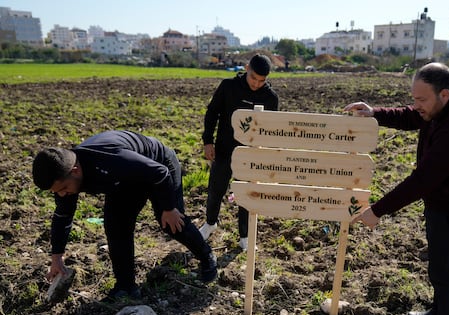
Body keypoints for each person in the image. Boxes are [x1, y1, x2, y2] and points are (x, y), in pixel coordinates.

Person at [344, 62, 449, 315]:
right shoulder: (442, 107)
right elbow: (414, 116)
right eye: (414, 97)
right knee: (438, 265)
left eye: (422, 99)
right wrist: (376, 113)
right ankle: (438, 314)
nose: (416, 105)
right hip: (442, 202)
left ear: (445, 94)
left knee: (448, 272)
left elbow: (421, 180)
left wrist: (377, 210)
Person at [32, 130, 218, 300]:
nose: (62, 195)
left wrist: (169, 209)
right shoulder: (64, 178)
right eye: (56, 192)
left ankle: (207, 256)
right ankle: (126, 286)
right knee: (115, 226)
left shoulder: (108, 159)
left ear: (75, 170)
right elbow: (63, 216)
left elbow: (159, 173)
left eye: (63, 189)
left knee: (171, 222)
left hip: (158, 166)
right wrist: (56, 257)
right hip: (123, 180)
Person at [200, 54, 279, 251]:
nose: (256, 84)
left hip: (251, 155)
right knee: (216, 189)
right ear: (246, 68)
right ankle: (210, 223)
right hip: (224, 149)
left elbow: (270, 129)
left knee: (246, 195)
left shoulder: (270, 98)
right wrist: (208, 141)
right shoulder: (228, 86)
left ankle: (245, 235)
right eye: (253, 78)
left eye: (262, 81)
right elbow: (212, 113)